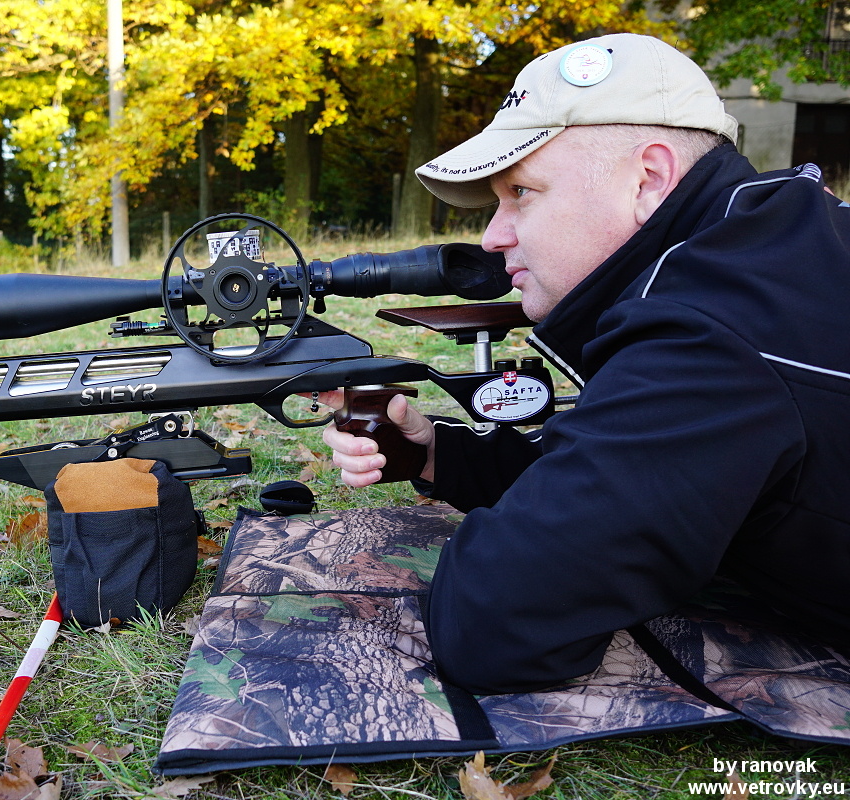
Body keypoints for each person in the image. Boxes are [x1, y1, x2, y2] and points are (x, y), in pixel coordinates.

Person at [321, 32, 850, 694]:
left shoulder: (709, 331)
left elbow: (497, 621)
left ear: (648, 179)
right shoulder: (766, 243)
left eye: (522, 192)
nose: (492, 236)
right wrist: (436, 453)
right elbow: (627, 469)